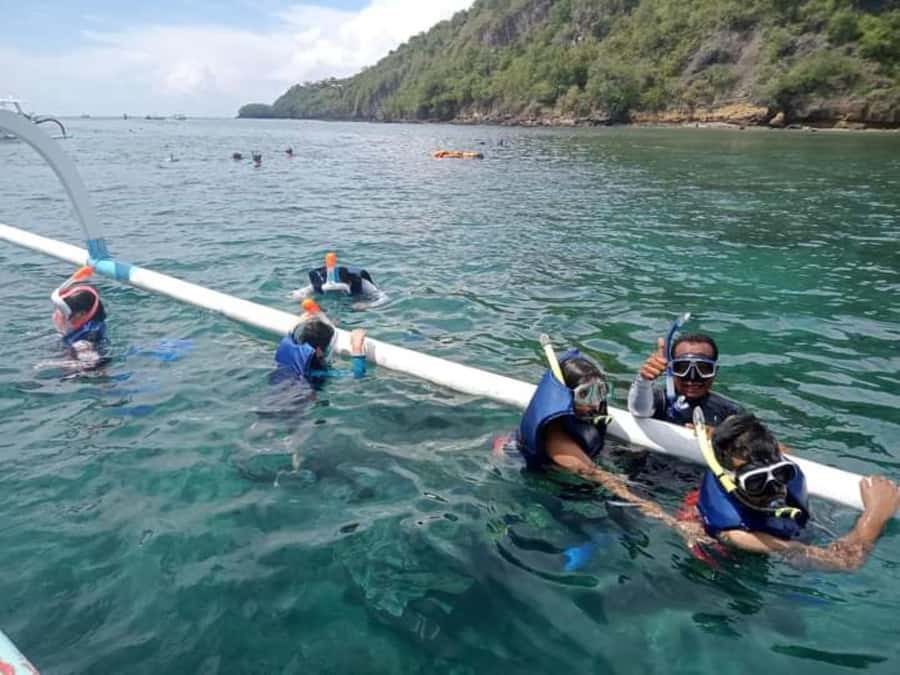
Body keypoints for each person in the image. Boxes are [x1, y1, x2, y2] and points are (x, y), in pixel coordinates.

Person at [512, 337, 700, 539]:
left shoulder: (583, 412)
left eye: (599, 392)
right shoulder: (556, 437)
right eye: (585, 395)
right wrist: (670, 521)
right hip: (552, 485)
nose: (594, 403)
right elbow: (599, 477)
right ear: (565, 397)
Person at [676, 412, 900, 571]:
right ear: (730, 482)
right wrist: (875, 515)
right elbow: (843, 562)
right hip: (731, 568)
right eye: (756, 482)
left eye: (782, 473)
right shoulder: (741, 535)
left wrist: (718, 434)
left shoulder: (760, 458)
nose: (774, 489)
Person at [628, 321, 743, 426]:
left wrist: (718, 436)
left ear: (715, 372)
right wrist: (643, 380)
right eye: (683, 368)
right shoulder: (657, 401)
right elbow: (639, 411)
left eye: (702, 369)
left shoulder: (729, 412)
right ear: (670, 369)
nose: (692, 378)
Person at [273, 305, 367, 384]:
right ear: (318, 351)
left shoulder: (292, 349)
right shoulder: (317, 373)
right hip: (300, 398)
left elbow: (292, 333)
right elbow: (357, 374)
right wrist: (357, 346)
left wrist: (299, 321)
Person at [51, 267, 108, 367]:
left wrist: (49, 364)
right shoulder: (89, 323)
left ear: (81, 314)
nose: (57, 315)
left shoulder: (83, 342)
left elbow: (94, 364)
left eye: (62, 311)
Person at [290, 252, 381, 301]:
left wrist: (367, 305)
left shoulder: (362, 283)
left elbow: (384, 298)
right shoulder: (319, 283)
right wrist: (302, 298)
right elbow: (296, 294)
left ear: (349, 283)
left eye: (340, 290)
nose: (336, 293)